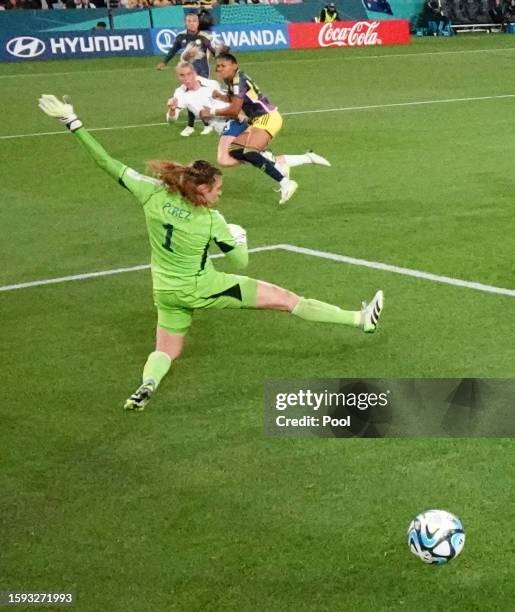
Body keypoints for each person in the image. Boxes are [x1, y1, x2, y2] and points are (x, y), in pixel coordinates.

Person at [38, 94, 384, 412]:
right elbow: (241, 262)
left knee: (167, 350)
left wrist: (73, 123)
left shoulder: (153, 194)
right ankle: (359, 319)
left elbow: (106, 163)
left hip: (166, 292)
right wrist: (239, 237)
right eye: (217, 189)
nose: (221, 194)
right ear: (201, 191)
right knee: (284, 299)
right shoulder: (211, 221)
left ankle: (147, 384)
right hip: (204, 286)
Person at [199, 52, 331, 205]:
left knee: (249, 152)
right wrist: (221, 97)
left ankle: (285, 182)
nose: (219, 69)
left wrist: (212, 111)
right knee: (235, 150)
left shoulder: (238, 81)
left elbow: (235, 109)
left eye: (223, 65)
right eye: (218, 67)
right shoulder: (234, 80)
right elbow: (239, 99)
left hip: (268, 118)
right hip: (258, 121)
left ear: (234, 66)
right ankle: (282, 161)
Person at [156, 12, 218, 137]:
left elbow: (215, 52)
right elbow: (173, 50)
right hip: (187, 73)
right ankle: (190, 126)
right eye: (189, 21)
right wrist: (164, 62)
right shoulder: (180, 36)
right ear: (186, 22)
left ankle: (206, 125)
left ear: (198, 23)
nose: (191, 23)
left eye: (194, 21)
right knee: (189, 98)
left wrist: (221, 63)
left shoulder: (204, 37)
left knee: (201, 98)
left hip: (202, 72)